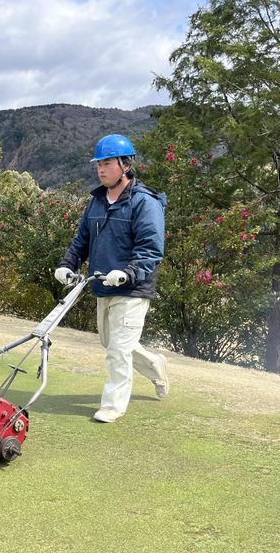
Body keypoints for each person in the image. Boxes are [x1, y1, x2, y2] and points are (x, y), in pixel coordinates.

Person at [55, 133, 169, 423]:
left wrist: (128, 273)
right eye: (99, 164)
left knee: (118, 350)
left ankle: (113, 406)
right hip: (103, 285)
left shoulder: (145, 202)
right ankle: (155, 365)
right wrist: (67, 265)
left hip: (133, 288)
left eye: (107, 163)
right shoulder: (96, 202)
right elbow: (81, 240)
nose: (101, 169)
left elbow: (150, 250)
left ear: (126, 164)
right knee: (112, 343)